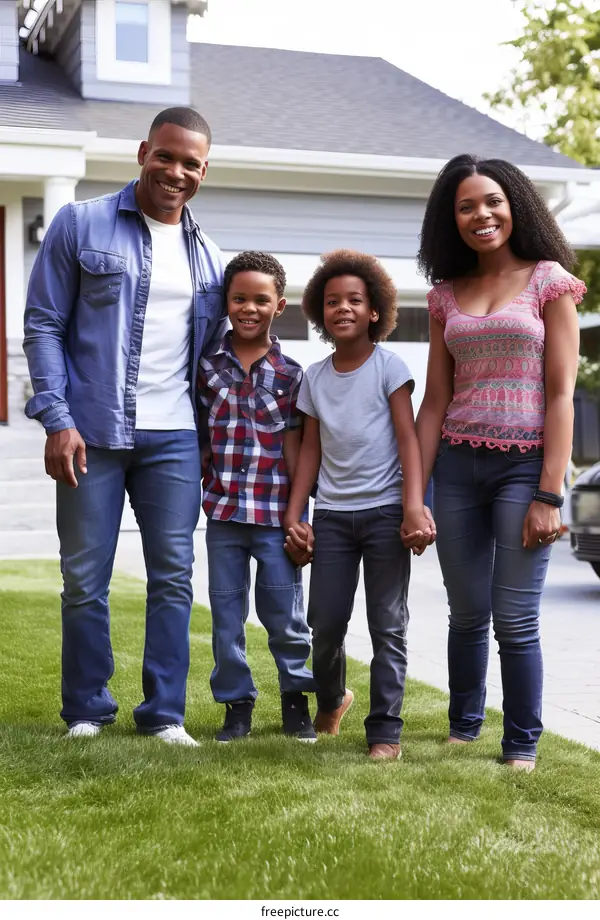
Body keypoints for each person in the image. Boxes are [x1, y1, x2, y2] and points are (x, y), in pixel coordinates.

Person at [23, 107, 228, 745]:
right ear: (143, 151)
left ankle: (164, 714)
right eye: (165, 156)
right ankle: (87, 711)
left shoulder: (210, 257)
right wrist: (56, 418)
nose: (176, 171)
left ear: (203, 170)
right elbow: (44, 324)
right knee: (85, 577)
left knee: (173, 576)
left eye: (190, 163)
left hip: (175, 439)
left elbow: (214, 355)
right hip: (92, 432)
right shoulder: (80, 223)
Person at [415, 154, 585, 771]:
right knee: (466, 611)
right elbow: (434, 402)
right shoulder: (444, 296)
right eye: (465, 206)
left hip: (525, 467)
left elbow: (562, 394)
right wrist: (416, 494)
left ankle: (521, 743)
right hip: (456, 468)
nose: (481, 214)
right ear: (450, 219)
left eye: (492, 201)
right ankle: (464, 725)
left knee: (514, 618)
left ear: (515, 205)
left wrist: (549, 493)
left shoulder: (550, 282)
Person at [284, 250, 434, 761]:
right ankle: (332, 696)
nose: (342, 308)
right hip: (331, 517)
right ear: (318, 312)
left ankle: (385, 732)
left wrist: (414, 505)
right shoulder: (314, 378)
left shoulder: (391, 368)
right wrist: (294, 513)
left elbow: (408, 440)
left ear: (375, 310)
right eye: (331, 301)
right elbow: (309, 448)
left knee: (387, 623)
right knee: (324, 621)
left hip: (386, 512)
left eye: (354, 300)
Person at [197, 251, 317, 743]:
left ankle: (296, 700)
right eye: (239, 298)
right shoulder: (206, 367)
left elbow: (298, 449)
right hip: (224, 514)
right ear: (226, 302)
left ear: (280, 306)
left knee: (286, 616)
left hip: (274, 518)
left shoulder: (292, 375)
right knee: (226, 617)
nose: (249, 308)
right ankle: (237, 705)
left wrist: (297, 517)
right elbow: (202, 437)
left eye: (260, 299)